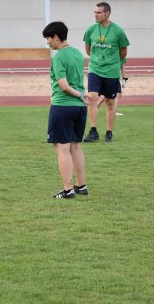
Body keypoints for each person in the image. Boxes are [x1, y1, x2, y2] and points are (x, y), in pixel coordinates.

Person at [43, 21, 90, 199]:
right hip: (79, 108)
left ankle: (68, 189)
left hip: (63, 106)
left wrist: (79, 94)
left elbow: (63, 85)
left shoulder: (59, 57)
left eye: (48, 38)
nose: (47, 42)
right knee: (75, 147)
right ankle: (81, 185)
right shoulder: (78, 54)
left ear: (56, 37)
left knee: (62, 148)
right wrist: (81, 96)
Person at [83, 2, 130, 142]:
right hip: (94, 69)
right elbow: (88, 49)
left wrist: (112, 63)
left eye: (99, 12)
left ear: (107, 13)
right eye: (95, 12)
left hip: (111, 72)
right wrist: (98, 60)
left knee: (110, 102)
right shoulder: (91, 30)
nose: (95, 15)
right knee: (92, 97)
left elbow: (123, 53)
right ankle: (93, 131)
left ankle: (109, 132)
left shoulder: (118, 31)